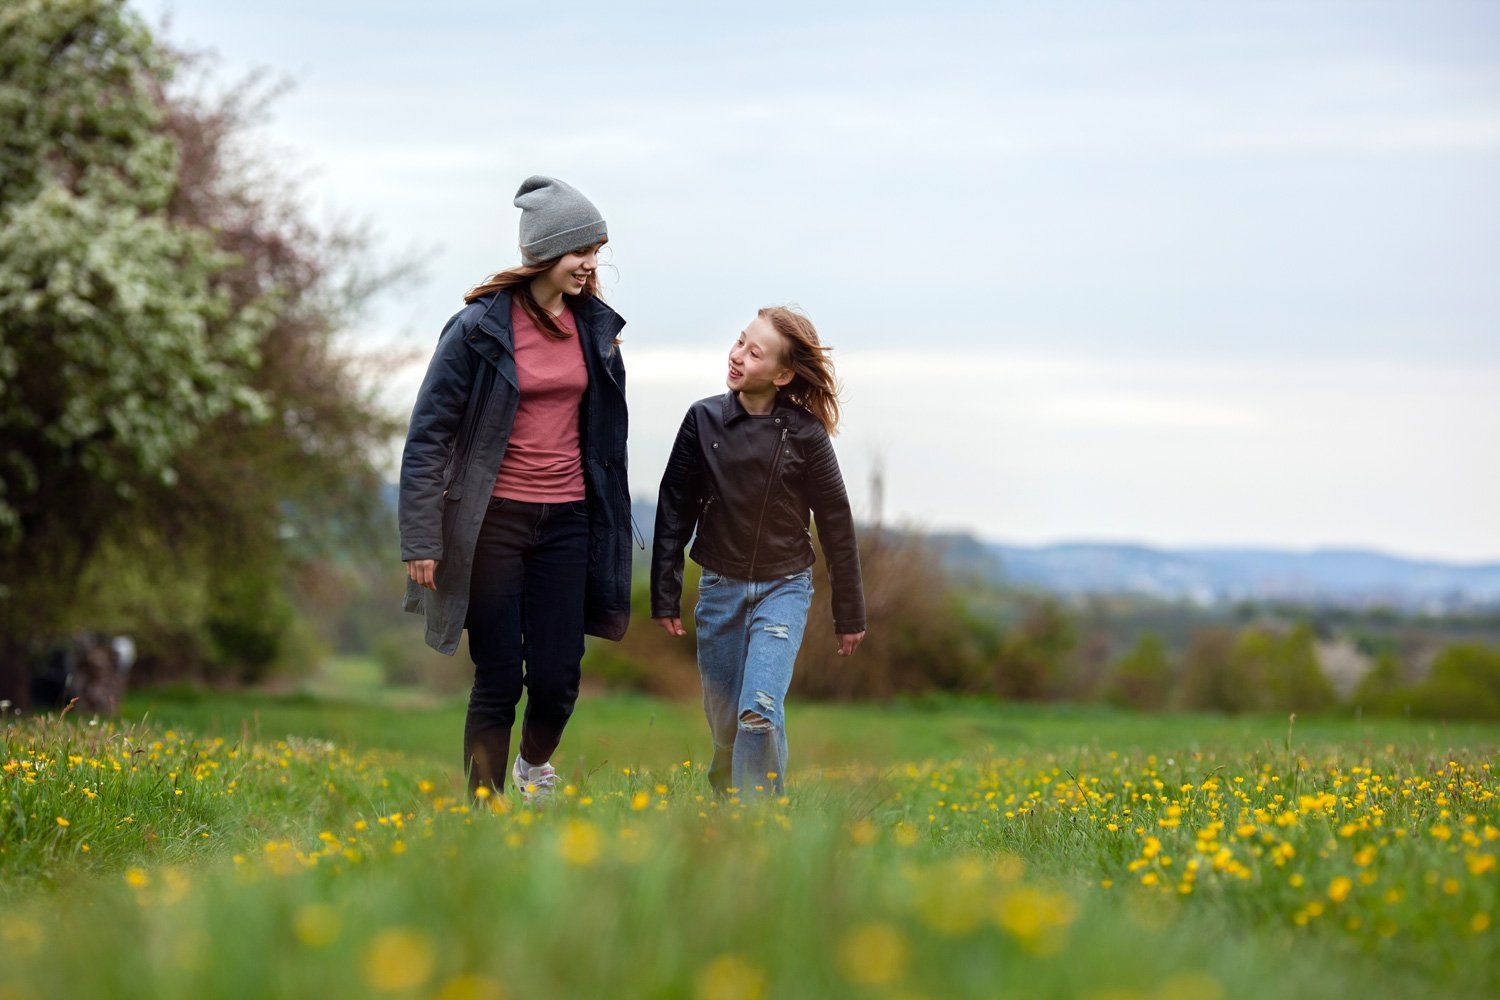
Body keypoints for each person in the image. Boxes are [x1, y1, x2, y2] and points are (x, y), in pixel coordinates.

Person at [399, 176, 632, 801]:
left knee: (558, 678)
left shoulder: (596, 331)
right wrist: (421, 537)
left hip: (569, 520)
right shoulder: (478, 330)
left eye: (597, 251)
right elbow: (429, 435)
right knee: (499, 675)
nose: (591, 264)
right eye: (582, 251)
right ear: (546, 253)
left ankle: (532, 769)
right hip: (493, 522)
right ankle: (483, 813)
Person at [651, 306, 866, 798]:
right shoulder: (702, 420)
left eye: (755, 351)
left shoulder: (806, 435)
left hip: (784, 588)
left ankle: (759, 825)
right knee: (728, 727)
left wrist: (849, 613)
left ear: (783, 373)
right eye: (740, 342)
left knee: (758, 712)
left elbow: (836, 523)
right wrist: (665, 594)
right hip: (720, 591)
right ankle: (728, 791)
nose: (738, 355)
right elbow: (673, 511)